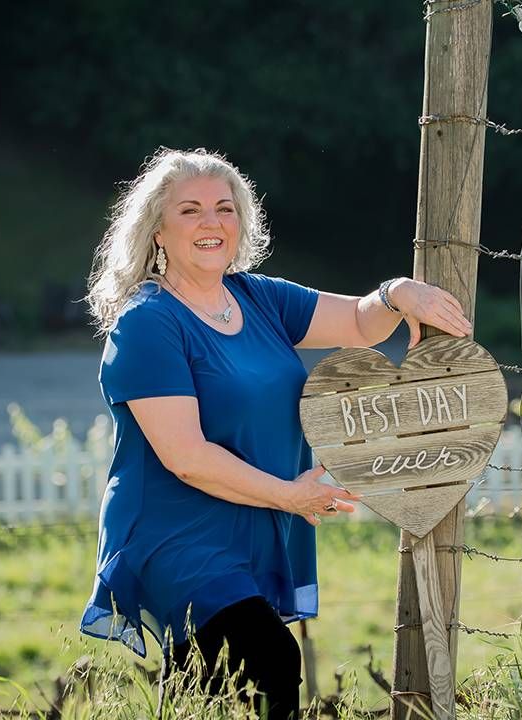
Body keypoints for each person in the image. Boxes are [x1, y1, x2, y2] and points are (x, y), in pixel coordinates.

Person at [80, 148, 472, 719]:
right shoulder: (147, 324)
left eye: (224, 208)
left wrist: (397, 293)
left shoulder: (258, 298)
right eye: (189, 211)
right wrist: (293, 496)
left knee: (208, 689)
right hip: (176, 534)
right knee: (267, 659)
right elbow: (186, 457)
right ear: (157, 230)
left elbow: (361, 323)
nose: (211, 223)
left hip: (252, 523)